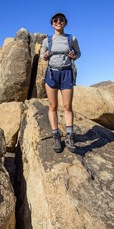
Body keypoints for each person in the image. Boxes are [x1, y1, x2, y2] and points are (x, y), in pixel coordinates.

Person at [40, 12, 81, 153]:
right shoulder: (47, 40)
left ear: (65, 22)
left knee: (67, 106)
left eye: (61, 20)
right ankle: (56, 135)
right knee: (53, 106)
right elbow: (42, 56)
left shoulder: (71, 38)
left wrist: (73, 56)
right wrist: (45, 56)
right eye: (56, 20)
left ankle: (70, 136)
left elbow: (78, 53)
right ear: (52, 23)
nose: (58, 22)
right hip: (52, 73)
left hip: (67, 73)